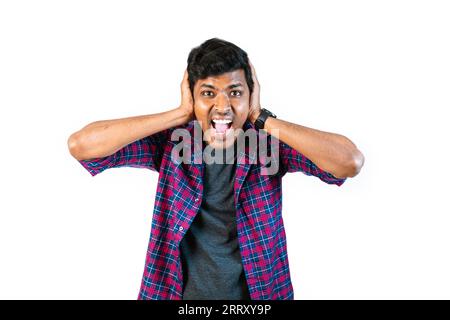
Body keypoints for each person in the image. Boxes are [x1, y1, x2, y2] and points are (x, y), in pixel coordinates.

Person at [67, 38, 364, 300]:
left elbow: (348, 162)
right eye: (208, 93)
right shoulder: (173, 141)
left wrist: (261, 117)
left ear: (251, 96)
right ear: (192, 97)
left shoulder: (267, 143)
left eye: (235, 93)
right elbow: (83, 145)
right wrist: (179, 113)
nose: (222, 107)